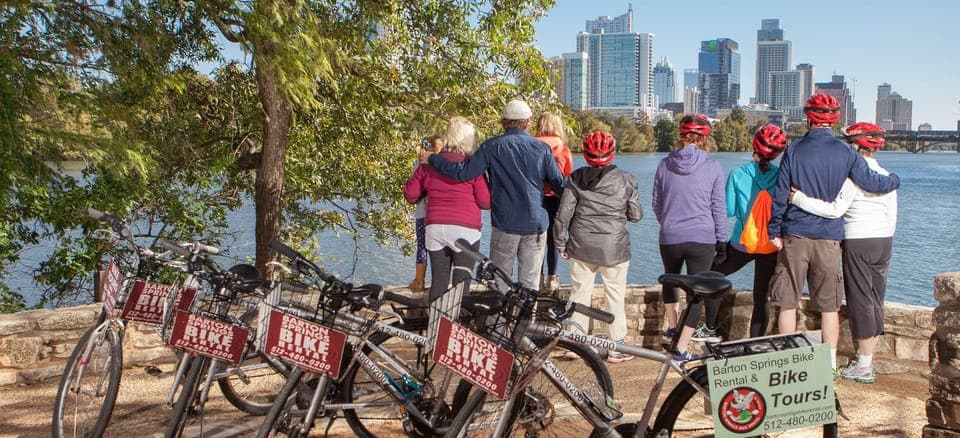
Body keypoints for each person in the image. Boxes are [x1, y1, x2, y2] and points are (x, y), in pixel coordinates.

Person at [768, 94, 900, 371]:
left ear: (808, 118)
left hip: (795, 234)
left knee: (788, 302)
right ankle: (827, 365)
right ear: (834, 120)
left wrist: (774, 229)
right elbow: (871, 182)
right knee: (829, 306)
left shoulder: (794, 150)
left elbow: (780, 193)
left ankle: (786, 362)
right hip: (829, 238)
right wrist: (895, 180)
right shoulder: (846, 153)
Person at [421, 99, 565, 290]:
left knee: (500, 284)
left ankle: (498, 320)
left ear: (503, 122)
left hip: (505, 224)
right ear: (529, 122)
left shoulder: (491, 147)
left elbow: (462, 172)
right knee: (530, 288)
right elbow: (560, 185)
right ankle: (525, 321)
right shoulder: (542, 149)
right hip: (535, 225)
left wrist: (433, 158)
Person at [553, 131, 641, 363]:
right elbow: (636, 215)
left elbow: (563, 216)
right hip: (615, 247)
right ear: (612, 154)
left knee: (580, 293)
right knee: (615, 295)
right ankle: (616, 346)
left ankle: (575, 343)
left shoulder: (575, 178)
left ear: (585, 154)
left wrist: (561, 242)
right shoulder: (626, 179)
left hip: (581, 245)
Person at [652, 113, 727, 362]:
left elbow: (656, 203)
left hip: (670, 235)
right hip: (702, 237)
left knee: (670, 280)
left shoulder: (664, 164)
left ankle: (673, 328)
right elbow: (718, 207)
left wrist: (669, 222)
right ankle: (681, 348)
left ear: (681, 136)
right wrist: (723, 239)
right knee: (697, 293)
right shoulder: (712, 166)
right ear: (705, 138)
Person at [706, 124, 789, 340]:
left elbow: (730, 210)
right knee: (761, 296)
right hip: (771, 245)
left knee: (713, 275)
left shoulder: (737, 175)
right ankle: (756, 341)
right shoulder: (782, 176)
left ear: (754, 147)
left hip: (741, 243)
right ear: (777, 153)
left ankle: (710, 327)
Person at [404, 117, 491, 302]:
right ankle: (456, 327)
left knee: (439, 282)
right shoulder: (471, 166)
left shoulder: (429, 163)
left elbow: (410, 194)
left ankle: (435, 326)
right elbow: (486, 202)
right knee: (461, 286)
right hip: (465, 231)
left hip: (435, 228)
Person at [535, 112, 574, 295]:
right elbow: (568, 174)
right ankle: (553, 277)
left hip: (536, 197)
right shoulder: (563, 148)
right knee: (553, 238)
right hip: (557, 197)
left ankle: (538, 278)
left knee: (537, 239)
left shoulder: (532, 145)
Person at [408, 135, 445, 291]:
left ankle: (419, 280)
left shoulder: (420, 165)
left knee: (422, 247)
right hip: (436, 214)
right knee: (439, 250)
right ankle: (433, 282)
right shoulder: (442, 165)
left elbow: (412, 191)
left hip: (423, 213)